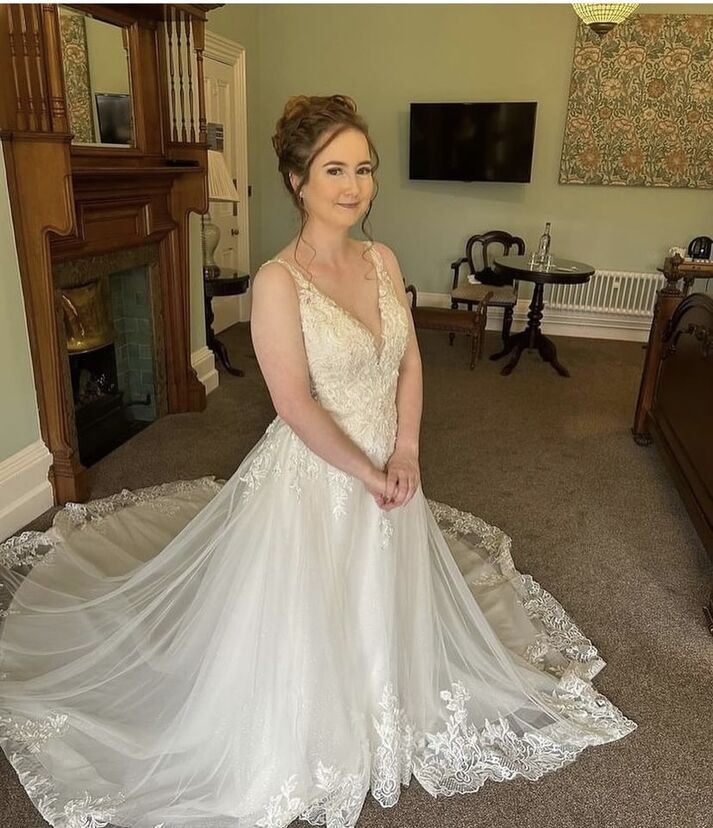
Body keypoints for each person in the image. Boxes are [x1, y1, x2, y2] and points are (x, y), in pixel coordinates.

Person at [0, 95, 635, 828]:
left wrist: (405, 451)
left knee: (384, 590)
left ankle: (380, 692)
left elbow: (408, 363)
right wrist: (367, 474)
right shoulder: (278, 281)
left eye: (363, 168)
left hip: (391, 465)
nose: (354, 186)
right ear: (297, 180)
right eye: (335, 169)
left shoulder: (382, 259)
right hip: (318, 477)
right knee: (310, 608)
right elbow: (296, 405)